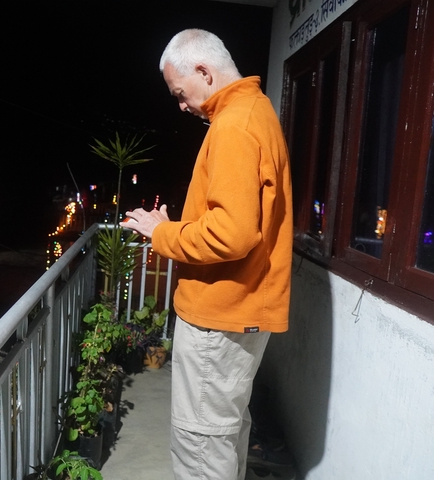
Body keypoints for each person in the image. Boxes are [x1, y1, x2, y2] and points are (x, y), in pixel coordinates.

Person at [121, 29, 293, 480]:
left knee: (201, 449)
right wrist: (172, 228)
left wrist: (163, 235)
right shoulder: (256, 110)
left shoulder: (234, 125)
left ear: (204, 70)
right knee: (222, 436)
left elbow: (231, 235)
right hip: (242, 310)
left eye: (180, 93)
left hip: (219, 316)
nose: (180, 105)